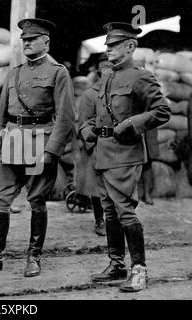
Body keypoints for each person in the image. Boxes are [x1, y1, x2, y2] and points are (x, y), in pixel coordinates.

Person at [0, 18, 75, 277]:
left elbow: (65, 117)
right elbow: (2, 115)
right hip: (13, 142)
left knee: (36, 200)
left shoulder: (58, 72)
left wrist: (52, 151)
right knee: (0, 198)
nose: (26, 43)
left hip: (40, 142)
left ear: (45, 41)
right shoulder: (14, 72)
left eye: (32, 39)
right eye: (24, 40)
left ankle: (34, 257)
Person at [79, 22, 170, 292]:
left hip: (126, 153)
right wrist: (86, 129)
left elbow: (162, 111)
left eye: (114, 45)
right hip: (103, 153)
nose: (108, 49)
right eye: (107, 45)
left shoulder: (141, 77)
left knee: (125, 212)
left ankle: (139, 270)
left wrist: (131, 124)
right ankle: (116, 264)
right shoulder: (107, 78)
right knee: (109, 212)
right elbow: (94, 112)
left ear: (130, 46)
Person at [75, 55, 113, 236]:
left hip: (116, 146)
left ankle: (115, 219)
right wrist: (91, 143)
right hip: (96, 147)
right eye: (105, 69)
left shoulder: (119, 92)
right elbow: (82, 123)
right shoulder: (90, 94)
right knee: (96, 189)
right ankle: (99, 220)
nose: (109, 72)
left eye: (112, 68)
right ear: (100, 71)